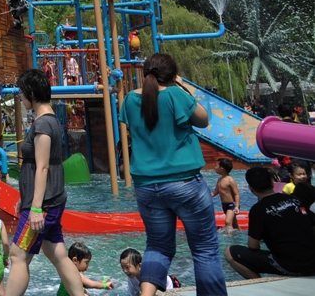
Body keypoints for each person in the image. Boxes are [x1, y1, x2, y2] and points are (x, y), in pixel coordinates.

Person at [118, 53, 225, 296]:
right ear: (173, 75)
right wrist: (184, 87)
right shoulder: (177, 94)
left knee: (157, 247)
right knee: (205, 249)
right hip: (185, 184)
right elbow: (203, 120)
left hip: (147, 187)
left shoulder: (130, 100)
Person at [5, 69, 85, 296]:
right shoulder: (50, 120)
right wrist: (25, 197)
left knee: (18, 255)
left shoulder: (43, 125)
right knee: (57, 252)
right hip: (51, 199)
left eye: (21, 93)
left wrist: (36, 207)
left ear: (31, 93)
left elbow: (42, 167)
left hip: (45, 204)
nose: (20, 97)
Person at [224, 165, 315, 278]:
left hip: (290, 265)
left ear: (250, 188)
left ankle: (258, 284)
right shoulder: (295, 200)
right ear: (272, 183)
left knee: (229, 252)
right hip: (312, 261)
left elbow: (253, 246)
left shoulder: (258, 210)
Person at [211, 158, 240, 231]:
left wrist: (236, 206)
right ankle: (241, 235)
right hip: (224, 205)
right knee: (234, 224)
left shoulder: (230, 180)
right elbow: (216, 191)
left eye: (216, 165)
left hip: (232, 205)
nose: (215, 167)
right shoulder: (219, 179)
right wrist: (207, 196)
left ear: (222, 168)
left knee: (228, 222)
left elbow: (236, 194)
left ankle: (229, 240)